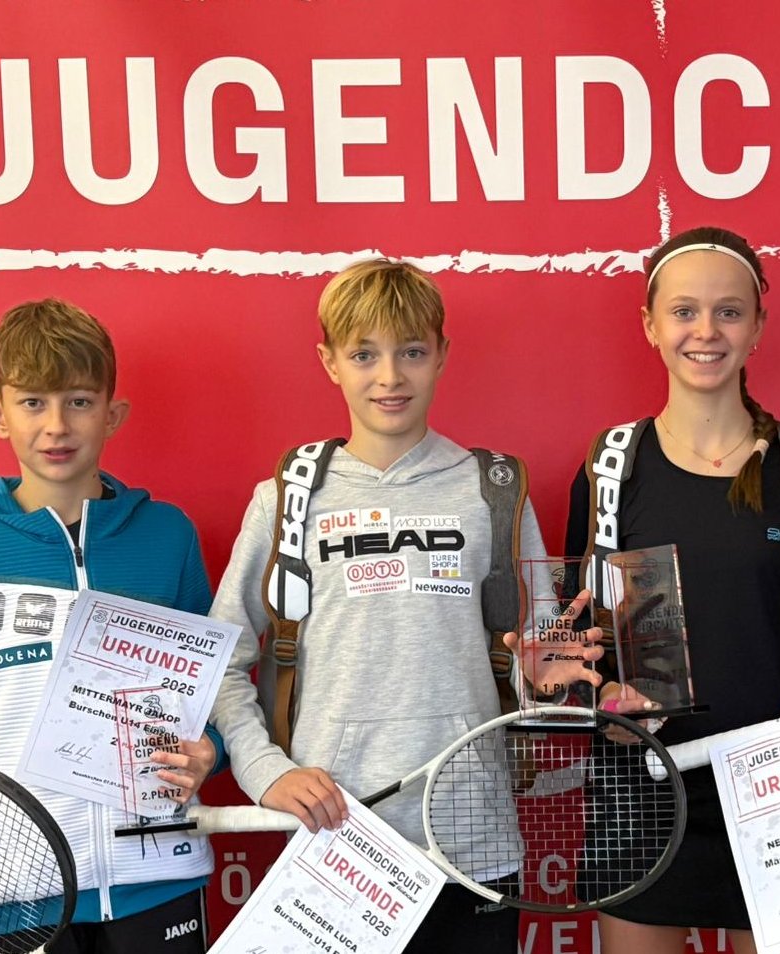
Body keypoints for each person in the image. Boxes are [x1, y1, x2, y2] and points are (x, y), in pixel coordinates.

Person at [206, 259, 573, 951]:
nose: (390, 377)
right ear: (329, 362)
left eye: (411, 352)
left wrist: (547, 682)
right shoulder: (286, 498)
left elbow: (544, 656)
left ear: (442, 354)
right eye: (364, 355)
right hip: (335, 840)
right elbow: (220, 661)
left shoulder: (494, 490)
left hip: (473, 839)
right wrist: (265, 771)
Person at [563, 226, 780, 953]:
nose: (706, 331)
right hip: (641, 785)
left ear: (758, 325)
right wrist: (598, 699)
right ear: (650, 325)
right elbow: (571, 633)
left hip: (778, 785)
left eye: (729, 312)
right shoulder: (610, 468)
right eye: (684, 311)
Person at [0, 299, 222, 952]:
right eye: (33, 403)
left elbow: (215, 690)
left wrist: (212, 751)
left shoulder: (168, 535)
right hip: (21, 889)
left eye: (79, 402)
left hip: (158, 878)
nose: (57, 425)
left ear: (112, 414)